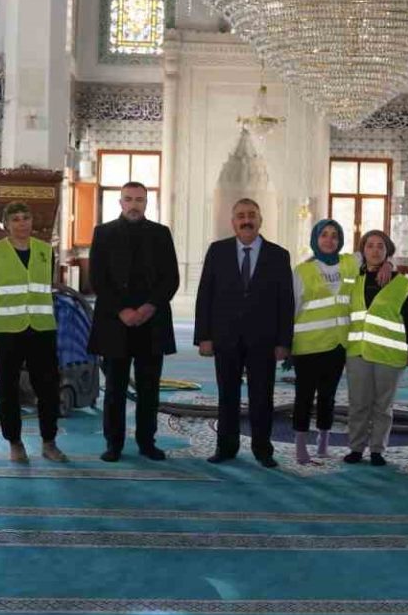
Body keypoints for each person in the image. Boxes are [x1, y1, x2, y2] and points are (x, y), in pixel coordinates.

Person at [195, 198, 294, 468]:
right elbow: (205, 295)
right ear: (233, 222)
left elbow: (286, 301)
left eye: (251, 215)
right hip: (225, 337)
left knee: (262, 396)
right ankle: (226, 447)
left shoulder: (278, 255)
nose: (246, 220)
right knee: (227, 395)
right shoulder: (217, 251)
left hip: (263, 340)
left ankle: (263, 450)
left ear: (260, 220)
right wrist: (204, 336)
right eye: (241, 216)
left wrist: (284, 342)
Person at [87, 182, 179, 463]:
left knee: (149, 388)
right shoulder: (103, 233)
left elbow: (171, 278)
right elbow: (98, 279)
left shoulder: (161, 234)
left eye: (139, 200)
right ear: (120, 202)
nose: (134, 205)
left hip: (152, 321)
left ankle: (147, 442)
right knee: (115, 388)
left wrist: (149, 307)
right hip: (116, 322)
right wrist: (122, 311)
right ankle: (113, 444)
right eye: (129, 199)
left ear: (147, 203)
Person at [0, 203, 66, 463]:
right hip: (5, 332)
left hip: (41, 329)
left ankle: (49, 442)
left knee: (48, 389)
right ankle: (15, 443)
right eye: (15, 219)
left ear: (32, 221)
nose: (22, 223)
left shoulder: (45, 250)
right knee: (8, 389)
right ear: (6, 224)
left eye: (26, 218)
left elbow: (46, 287)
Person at [343, 229, 408, 467]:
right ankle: (356, 448)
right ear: (362, 251)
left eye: (380, 246)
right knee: (358, 404)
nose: (375, 250)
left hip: (389, 355)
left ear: (388, 251)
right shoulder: (352, 279)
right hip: (358, 352)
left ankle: (377, 450)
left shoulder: (402, 284)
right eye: (370, 246)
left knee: (382, 406)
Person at [289, 219, 359, 465]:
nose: (329, 240)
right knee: (304, 397)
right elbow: (292, 307)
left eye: (334, 235)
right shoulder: (303, 271)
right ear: (315, 239)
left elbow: (380, 250)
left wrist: (389, 263)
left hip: (338, 344)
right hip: (308, 346)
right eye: (324, 235)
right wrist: (287, 344)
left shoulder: (350, 263)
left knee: (328, 397)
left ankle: (323, 444)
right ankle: (300, 446)